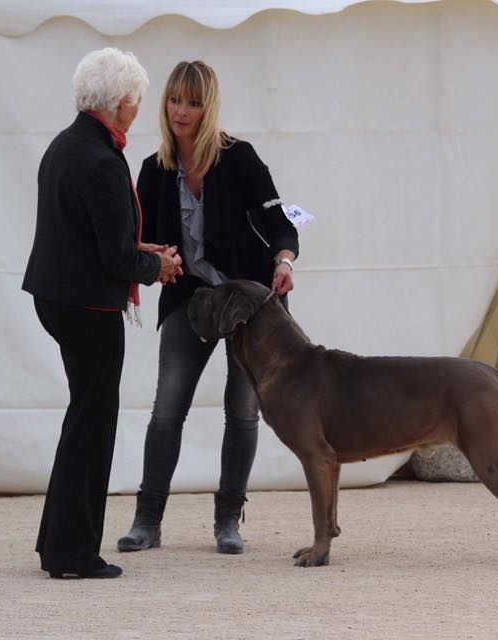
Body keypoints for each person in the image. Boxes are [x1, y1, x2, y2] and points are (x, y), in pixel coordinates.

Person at [117, 60, 299, 555]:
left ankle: (227, 520)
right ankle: (147, 520)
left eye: (194, 102)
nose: (182, 111)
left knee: (242, 411)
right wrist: (157, 259)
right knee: (167, 408)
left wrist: (283, 260)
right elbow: (139, 243)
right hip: (190, 299)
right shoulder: (154, 170)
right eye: (176, 99)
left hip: (251, 303)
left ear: (209, 106)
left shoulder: (239, 158)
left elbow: (282, 223)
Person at [22, 48, 182, 579]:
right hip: (87, 306)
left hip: (57, 296)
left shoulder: (66, 145)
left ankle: (56, 541)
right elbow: (116, 256)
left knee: (82, 417)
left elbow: (95, 238)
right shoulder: (102, 160)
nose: (139, 109)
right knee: (93, 423)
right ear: (119, 103)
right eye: (136, 100)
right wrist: (154, 267)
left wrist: (145, 255)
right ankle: (73, 553)